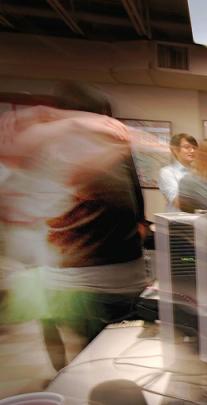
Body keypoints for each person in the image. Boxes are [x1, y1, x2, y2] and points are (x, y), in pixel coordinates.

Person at [0, 81, 148, 369]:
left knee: (108, 362)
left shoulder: (104, 145)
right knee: (106, 364)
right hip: (85, 283)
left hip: (103, 280)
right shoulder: (62, 145)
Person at [158, 133, 198, 211]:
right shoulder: (167, 172)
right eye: (187, 147)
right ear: (175, 150)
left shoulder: (199, 172)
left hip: (198, 221)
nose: (192, 151)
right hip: (178, 222)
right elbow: (178, 203)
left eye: (194, 147)